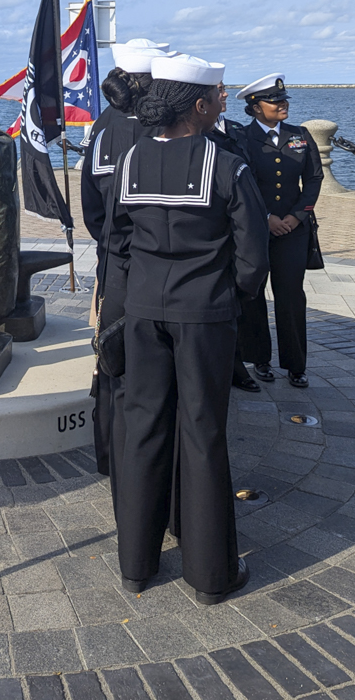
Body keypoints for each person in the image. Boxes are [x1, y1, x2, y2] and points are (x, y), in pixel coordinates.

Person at [109, 54, 270, 604]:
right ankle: (210, 576)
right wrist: (232, 298)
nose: (222, 101)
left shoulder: (130, 161)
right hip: (203, 315)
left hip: (142, 312)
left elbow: (118, 241)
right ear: (198, 106)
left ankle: (136, 566)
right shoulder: (226, 165)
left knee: (144, 430)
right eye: (218, 95)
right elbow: (253, 254)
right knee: (203, 435)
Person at [82, 41, 169, 475]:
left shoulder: (101, 127)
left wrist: (109, 247)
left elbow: (92, 209)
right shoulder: (161, 131)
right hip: (154, 264)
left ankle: (108, 453)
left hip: (113, 259)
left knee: (109, 360)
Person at [235, 73, 323, 388]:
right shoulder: (242, 139)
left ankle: (296, 365)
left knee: (291, 296)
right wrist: (268, 216)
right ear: (256, 107)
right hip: (257, 230)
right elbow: (242, 183)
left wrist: (298, 215)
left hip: (294, 230)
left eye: (283, 99)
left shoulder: (300, 135)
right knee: (253, 295)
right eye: (274, 101)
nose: (282, 104)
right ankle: (259, 359)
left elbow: (313, 179)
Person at [205, 81, 260, 394]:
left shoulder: (237, 130)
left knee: (244, 304)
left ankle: (240, 364)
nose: (224, 95)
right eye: (219, 90)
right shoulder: (199, 135)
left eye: (225, 90)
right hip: (219, 232)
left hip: (241, 230)